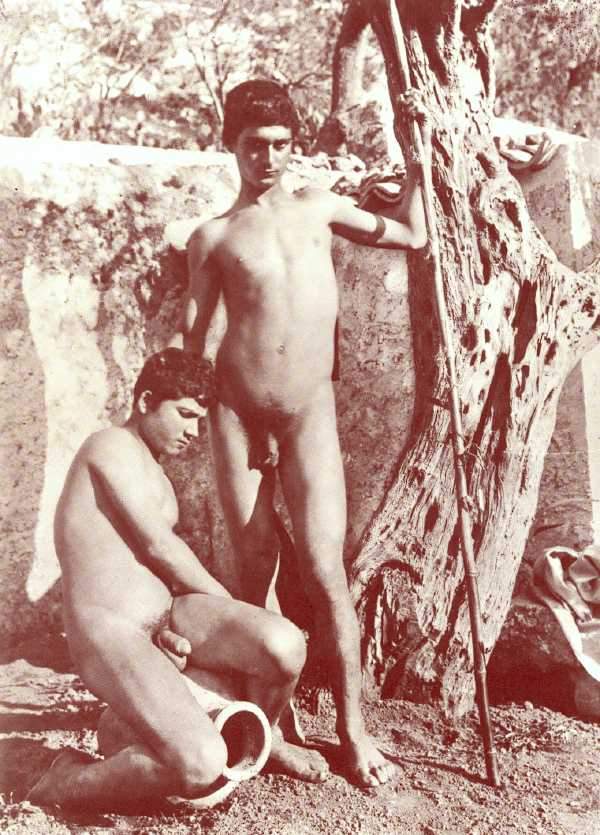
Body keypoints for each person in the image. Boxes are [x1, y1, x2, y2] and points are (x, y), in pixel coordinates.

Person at [172, 80, 430, 789]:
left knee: (325, 572)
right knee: (254, 571)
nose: (269, 158)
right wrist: (179, 414)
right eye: (254, 146)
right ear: (231, 146)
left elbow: (412, 235)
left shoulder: (321, 207)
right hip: (235, 415)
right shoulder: (213, 237)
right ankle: (274, 726)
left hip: (309, 412)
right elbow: (192, 339)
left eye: (282, 145)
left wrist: (416, 163)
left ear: (296, 146)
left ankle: (354, 730)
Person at [28, 348, 328, 813]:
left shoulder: (159, 476)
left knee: (283, 644)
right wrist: (228, 605)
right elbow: (157, 547)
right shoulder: (109, 445)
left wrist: (183, 627)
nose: (193, 431)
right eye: (185, 414)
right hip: (112, 632)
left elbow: (150, 566)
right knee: (201, 766)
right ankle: (67, 781)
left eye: (200, 420)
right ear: (146, 401)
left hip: (166, 619)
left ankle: (265, 738)